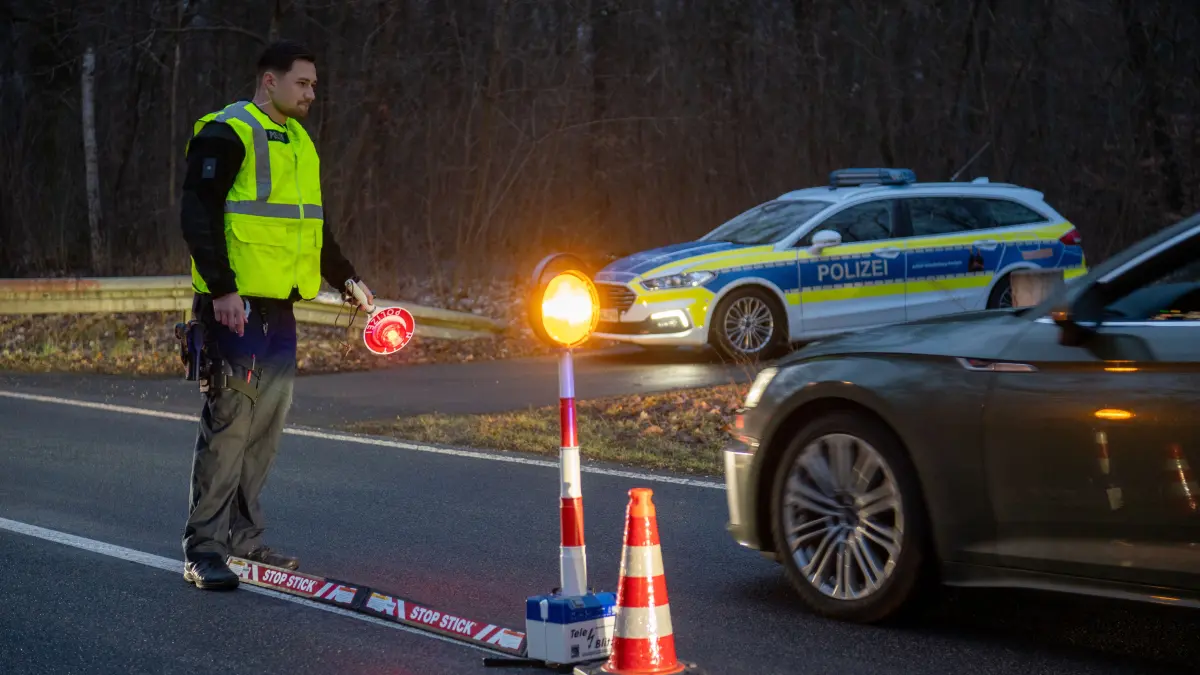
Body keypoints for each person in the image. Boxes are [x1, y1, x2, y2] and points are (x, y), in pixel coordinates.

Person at [178, 40, 373, 590]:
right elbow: (197, 211)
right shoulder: (228, 130)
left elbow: (314, 228)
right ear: (270, 81)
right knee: (229, 425)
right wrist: (221, 289)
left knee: (265, 426)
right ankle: (204, 549)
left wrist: (348, 278)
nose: (313, 92)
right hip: (233, 307)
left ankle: (244, 540)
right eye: (303, 83)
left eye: (313, 84)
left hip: (279, 308)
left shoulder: (299, 144)